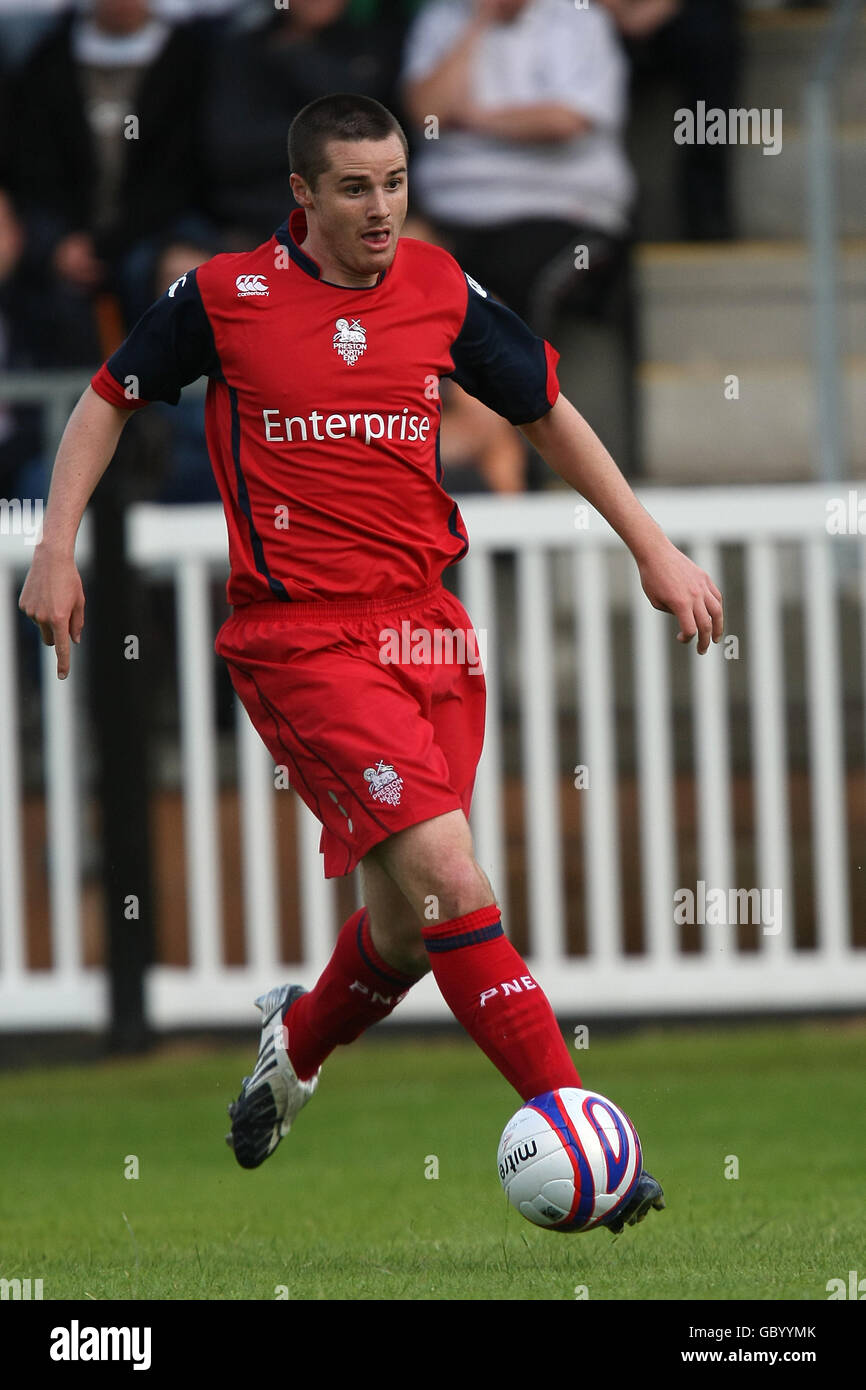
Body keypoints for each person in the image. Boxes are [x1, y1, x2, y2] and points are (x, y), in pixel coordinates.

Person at [19, 93, 723, 1234]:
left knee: (404, 926)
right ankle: (582, 1131)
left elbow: (543, 409)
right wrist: (56, 549)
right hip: (302, 641)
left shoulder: (440, 289)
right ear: (301, 196)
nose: (381, 209)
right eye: (353, 187)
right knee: (453, 877)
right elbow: (107, 398)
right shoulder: (226, 298)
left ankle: (293, 1043)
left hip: (428, 633)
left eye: (394, 182)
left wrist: (651, 546)